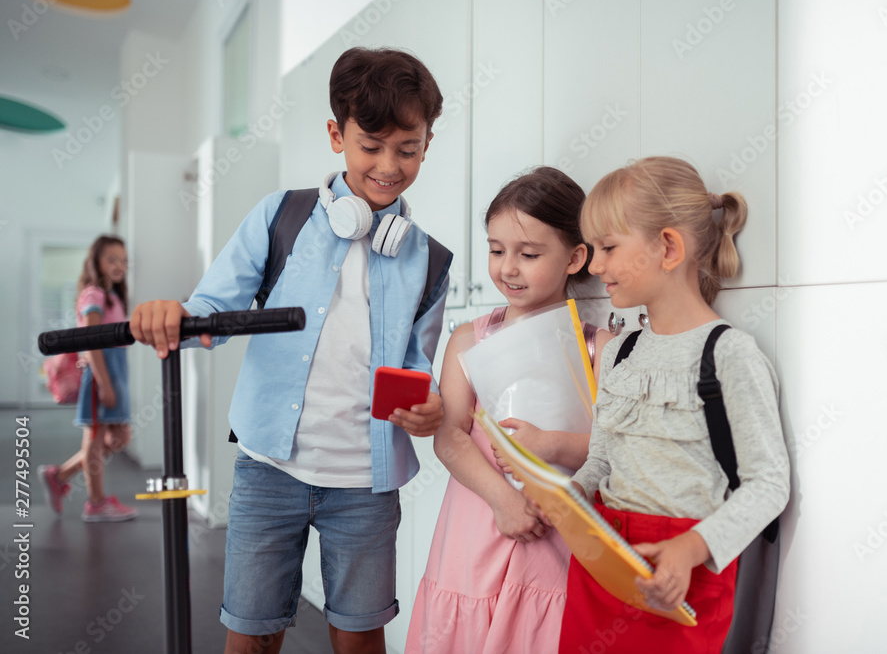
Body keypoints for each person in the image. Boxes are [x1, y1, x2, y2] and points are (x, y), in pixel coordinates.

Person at [129, 47, 449, 654]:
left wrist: (428, 407)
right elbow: (210, 316)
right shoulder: (280, 216)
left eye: (407, 150)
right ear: (336, 134)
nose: (388, 165)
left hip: (367, 482)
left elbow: (417, 369)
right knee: (251, 634)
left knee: (359, 635)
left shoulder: (429, 259)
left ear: (427, 144)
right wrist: (174, 313)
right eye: (370, 146)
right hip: (267, 469)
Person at [559, 157, 790, 653]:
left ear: (667, 248)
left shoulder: (729, 354)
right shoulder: (619, 351)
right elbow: (601, 458)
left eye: (608, 248)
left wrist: (690, 550)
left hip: (680, 573)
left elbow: (769, 485)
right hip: (602, 566)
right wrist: (569, 497)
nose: (595, 266)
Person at [406, 166, 613, 653]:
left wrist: (555, 444)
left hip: (554, 539)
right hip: (477, 526)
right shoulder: (468, 339)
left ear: (575, 257)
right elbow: (450, 435)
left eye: (529, 254)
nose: (507, 268)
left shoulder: (598, 349)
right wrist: (503, 501)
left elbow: (611, 448)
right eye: (497, 251)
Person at [39, 235, 138, 522]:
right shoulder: (94, 295)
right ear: (96, 262)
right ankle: (96, 503)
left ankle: (59, 475)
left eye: (124, 260)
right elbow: (91, 340)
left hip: (116, 370)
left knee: (118, 437)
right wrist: (105, 383)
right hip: (102, 373)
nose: (119, 265)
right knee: (95, 440)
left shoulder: (112, 295)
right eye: (112, 259)